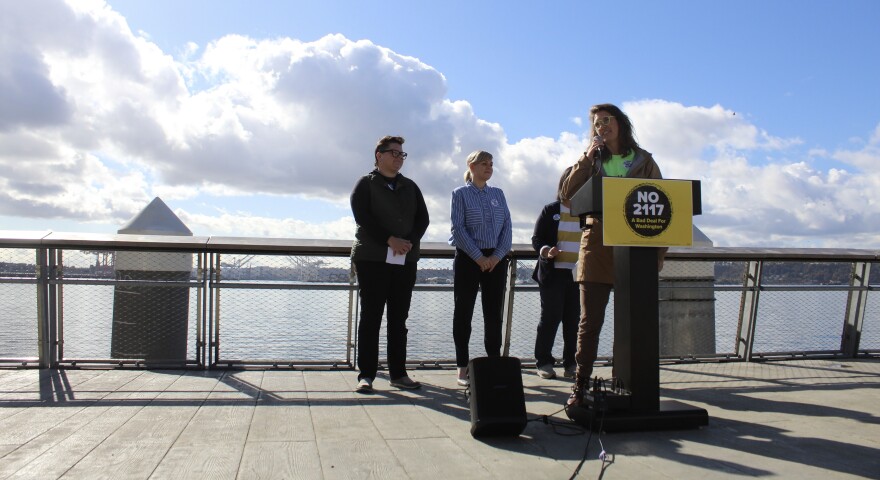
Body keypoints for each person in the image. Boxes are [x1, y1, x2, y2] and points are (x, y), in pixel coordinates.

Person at [559, 104, 663, 406]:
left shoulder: (644, 161)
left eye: (606, 121)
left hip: (636, 249)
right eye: (595, 124)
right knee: (590, 322)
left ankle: (624, 384)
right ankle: (579, 386)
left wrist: (658, 252)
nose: (601, 127)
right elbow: (567, 193)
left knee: (630, 323)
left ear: (620, 123)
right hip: (597, 246)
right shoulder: (591, 160)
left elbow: (661, 206)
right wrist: (586, 157)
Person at [350, 135, 429, 393]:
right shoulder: (365, 184)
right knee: (371, 317)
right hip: (372, 258)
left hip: (404, 259)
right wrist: (389, 240)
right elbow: (362, 216)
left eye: (401, 154)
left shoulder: (410, 187)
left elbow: (423, 219)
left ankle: (399, 373)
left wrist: (407, 242)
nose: (398, 158)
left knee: (399, 318)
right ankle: (367, 375)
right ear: (379, 155)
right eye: (393, 153)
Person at [449, 150, 512, 386]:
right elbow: (458, 229)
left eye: (491, 164)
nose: (489, 167)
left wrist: (496, 257)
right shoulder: (460, 194)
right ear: (471, 166)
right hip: (468, 259)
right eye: (484, 163)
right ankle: (462, 368)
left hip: (496, 260)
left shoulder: (498, 194)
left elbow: (507, 226)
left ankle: (493, 363)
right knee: (463, 313)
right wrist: (478, 257)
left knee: (493, 314)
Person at [531, 166, 580, 380]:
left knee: (574, 321)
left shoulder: (588, 212)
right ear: (564, 184)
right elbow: (537, 239)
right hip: (553, 274)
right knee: (550, 318)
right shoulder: (551, 210)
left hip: (579, 276)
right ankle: (543, 362)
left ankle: (571, 364)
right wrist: (546, 251)